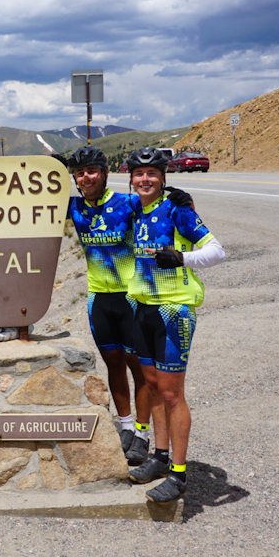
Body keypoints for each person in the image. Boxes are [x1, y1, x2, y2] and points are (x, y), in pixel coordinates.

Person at [64, 146, 183, 466]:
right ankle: (127, 426)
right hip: (98, 299)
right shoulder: (73, 207)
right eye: (80, 172)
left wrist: (184, 201)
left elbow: (165, 213)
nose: (86, 177)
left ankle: (143, 434)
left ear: (103, 173)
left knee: (139, 369)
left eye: (92, 170)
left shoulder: (128, 202)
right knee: (113, 364)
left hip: (132, 296)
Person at [124, 147, 225, 502]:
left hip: (174, 311)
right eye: (139, 174)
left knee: (171, 393)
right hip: (143, 307)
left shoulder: (178, 211)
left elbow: (217, 251)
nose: (145, 180)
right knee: (151, 386)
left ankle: (179, 476)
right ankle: (160, 458)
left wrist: (183, 257)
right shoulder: (134, 208)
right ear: (131, 179)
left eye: (152, 174)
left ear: (164, 178)